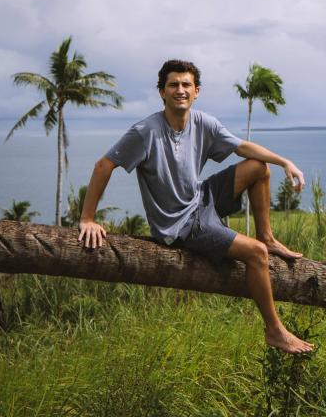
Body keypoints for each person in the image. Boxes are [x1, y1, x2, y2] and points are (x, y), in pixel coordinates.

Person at [77, 59, 313, 354]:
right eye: (173, 85)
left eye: (186, 85)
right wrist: (87, 217)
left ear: (197, 91)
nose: (180, 90)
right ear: (161, 92)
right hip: (181, 225)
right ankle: (275, 330)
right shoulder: (145, 131)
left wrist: (285, 162)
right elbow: (103, 165)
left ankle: (267, 234)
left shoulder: (203, 123)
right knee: (256, 254)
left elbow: (242, 147)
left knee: (258, 168)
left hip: (201, 199)